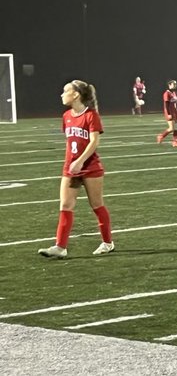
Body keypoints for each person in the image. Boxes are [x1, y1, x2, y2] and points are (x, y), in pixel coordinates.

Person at [39, 80, 115, 258]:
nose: (61, 94)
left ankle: (107, 242)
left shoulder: (91, 115)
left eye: (65, 91)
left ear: (76, 95)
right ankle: (60, 247)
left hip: (90, 167)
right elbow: (70, 142)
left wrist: (80, 161)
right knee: (65, 205)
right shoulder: (66, 116)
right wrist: (71, 163)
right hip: (71, 167)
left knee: (97, 205)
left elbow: (94, 141)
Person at [155, 80, 177, 147]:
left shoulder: (174, 93)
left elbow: (176, 103)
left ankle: (175, 142)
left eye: (176, 84)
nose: (175, 85)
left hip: (175, 111)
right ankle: (161, 136)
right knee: (171, 128)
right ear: (169, 85)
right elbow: (166, 105)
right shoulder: (166, 93)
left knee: (176, 128)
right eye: (174, 84)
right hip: (170, 112)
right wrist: (169, 114)